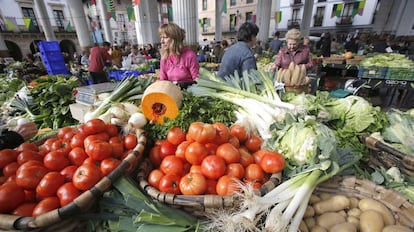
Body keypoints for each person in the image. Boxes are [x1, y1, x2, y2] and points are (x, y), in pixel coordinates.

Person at [159, 23, 200, 90]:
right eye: (161, 37)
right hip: (171, 94)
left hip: (188, 93)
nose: (162, 41)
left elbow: (197, 81)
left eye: (165, 37)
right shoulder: (164, 58)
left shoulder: (189, 56)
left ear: (175, 39)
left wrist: (184, 85)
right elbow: (163, 81)